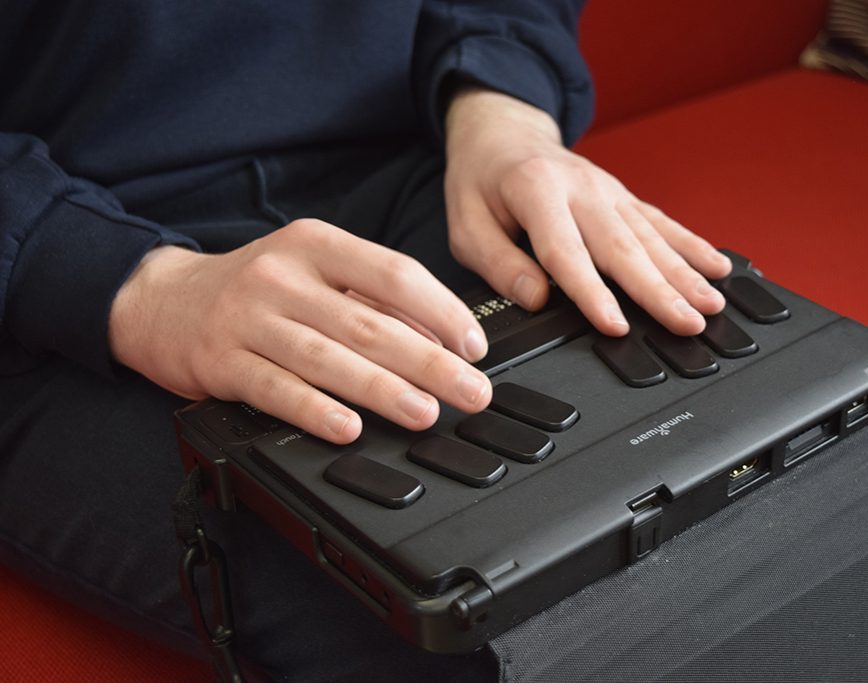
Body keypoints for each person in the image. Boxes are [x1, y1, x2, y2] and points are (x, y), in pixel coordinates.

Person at [0, 1, 731, 679]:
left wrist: (502, 107)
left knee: (754, 452)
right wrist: (125, 283)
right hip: (57, 293)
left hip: (428, 163)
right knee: (471, 619)